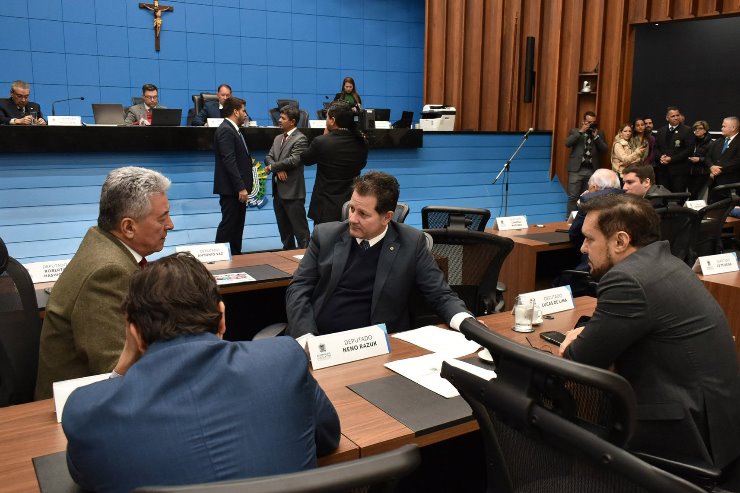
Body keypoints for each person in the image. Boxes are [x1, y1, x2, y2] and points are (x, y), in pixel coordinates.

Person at [62, 253, 340, 493]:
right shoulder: (284, 361)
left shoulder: (88, 413)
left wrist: (122, 366)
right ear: (222, 316)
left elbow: (86, 474)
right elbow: (327, 437)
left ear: (134, 332)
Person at [559, 193, 740, 471]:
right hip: (718, 424)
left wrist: (574, 339)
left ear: (620, 241)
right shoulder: (667, 264)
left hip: (682, 438)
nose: (583, 249)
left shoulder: (627, 279)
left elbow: (578, 362)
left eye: (590, 239)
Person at [35, 167, 174, 399]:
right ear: (128, 227)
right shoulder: (108, 273)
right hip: (75, 412)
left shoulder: (105, 246)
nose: (170, 224)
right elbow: (118, 370)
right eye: (162, 218)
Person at [286, 171, 472, 337]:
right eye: (352, 208)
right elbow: (299, 287)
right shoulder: (325, 235)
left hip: (378, 346)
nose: (352, 218)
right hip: (322, 338)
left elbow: (440, 295)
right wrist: (305, 336)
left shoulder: (411, 242)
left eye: (363, 214)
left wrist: (467, 324)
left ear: (387, 217)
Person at [300, 101, 369, 225]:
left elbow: (305, 159)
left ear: (332, 120)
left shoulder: (321, 142)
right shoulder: (362, 141)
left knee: (324, 242)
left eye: (327, 117)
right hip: (350, 206)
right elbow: (362, 164)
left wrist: (324, 136)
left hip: (325, 206)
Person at [265, 105, 310, 249]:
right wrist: (277, 170)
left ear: (293, 121)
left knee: (300, 232)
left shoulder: (301, 139)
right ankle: (287, 259)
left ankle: (307, 260)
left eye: (283, 118)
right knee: (285, 232)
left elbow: (294, 160)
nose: (279, 120)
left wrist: (273, 167)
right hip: (278, 192)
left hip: (293, 193)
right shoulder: (278, 138)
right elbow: (268, 157)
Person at [213, 96, 252, 255]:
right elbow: (229, 161)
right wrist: (241, 187)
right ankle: (218, 258)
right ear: (235, 111)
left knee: (237, 226)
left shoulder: (233, 129)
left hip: (236, 189)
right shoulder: (225, 130)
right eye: (243, 111)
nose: (245, 114)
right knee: (229, 225)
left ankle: (236, 257)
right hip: (232, 189)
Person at [565, 111, 608, 213]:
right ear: (583, 122)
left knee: (588, 197)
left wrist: (596, 137)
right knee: (573, 196)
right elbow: (567, 143)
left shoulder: (599, 133)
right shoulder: (575, 131)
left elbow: (605, 150)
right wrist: (581, 131)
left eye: (592, 122)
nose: (590, 125)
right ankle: (569, 221)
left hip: (591, 170)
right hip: (576, 170)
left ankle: (583, 220)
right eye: (588, 122)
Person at [654, 106, 693, 192]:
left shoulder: (687, 130)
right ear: (667, 118)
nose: (676, 118)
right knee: (663, 194)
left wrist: (671, 159)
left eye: (677, 115)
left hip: (679, 171)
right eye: (673, 116)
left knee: (677, 196)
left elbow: (689, 150)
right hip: (663, 171)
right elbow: (656, 148)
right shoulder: (661, 130)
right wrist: (661, 157)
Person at [704, 116, 740, 201]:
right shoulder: (718, 141)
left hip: (731, 185)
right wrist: (712, 167)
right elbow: (708, 157)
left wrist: (719, 168)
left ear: (733, 128)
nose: (721, 128)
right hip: (714, 184)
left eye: (724, 126)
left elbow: (738, 160)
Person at [687, 120, 713, 200]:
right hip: (690, 170)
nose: (697, 130)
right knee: (690, 193)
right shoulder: (692, 140)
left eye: (700, 128)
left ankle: (692, 212)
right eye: (695, 128)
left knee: (693, 194)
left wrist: (700, 159)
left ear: (705, 130)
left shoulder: (710, 143)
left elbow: (712, 158)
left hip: (702, 172)